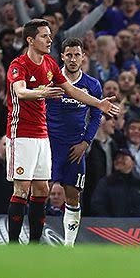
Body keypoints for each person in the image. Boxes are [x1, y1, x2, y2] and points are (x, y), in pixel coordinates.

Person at [5, 18, 119, 245]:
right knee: (22, 189)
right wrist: (43, 93)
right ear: (30, 39)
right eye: (44, 36)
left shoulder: (49, 65)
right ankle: (13, 244)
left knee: (41, 189)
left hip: (42, 137)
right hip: (22, 134)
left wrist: (98, 104)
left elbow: (71, 90)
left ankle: (35, 245)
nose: (49, 40)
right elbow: (20, 92)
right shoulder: (18, 65)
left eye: (49, 35)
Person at [46, 37, 103, 247]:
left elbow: (97, 115)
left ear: (83, 57)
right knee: (40, 192)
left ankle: (68, 246)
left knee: (72, 196)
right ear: (62, 57)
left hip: (75, 148)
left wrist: (86, 143)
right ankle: (33, 239)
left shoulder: (92, 85)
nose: (72, 59)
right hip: (50, 146)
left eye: (76, 55)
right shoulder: (51, 80)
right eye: (68, 55)